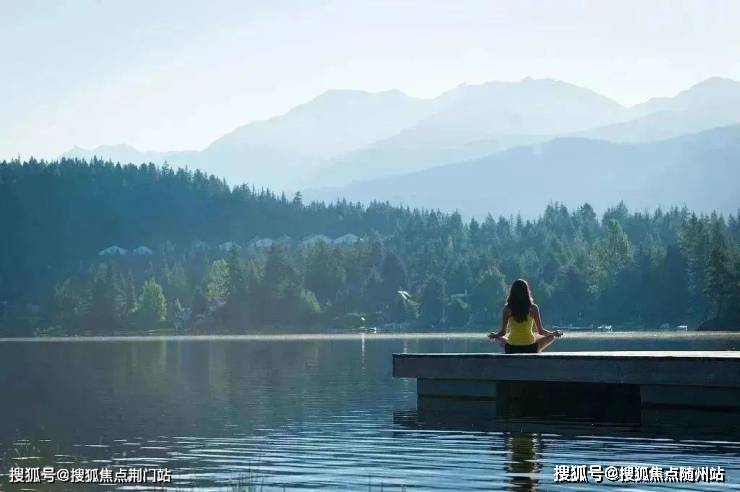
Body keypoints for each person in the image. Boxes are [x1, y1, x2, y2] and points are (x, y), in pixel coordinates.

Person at [487, 279, 563, 353]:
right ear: (527, 292)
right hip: (531, 348)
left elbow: (503, 333)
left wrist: (495, 335)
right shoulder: (533, 308)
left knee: (498, 338)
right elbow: (541, 331)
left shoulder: (507, 309)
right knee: (551, 337)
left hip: (511, 349)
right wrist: (553, 333)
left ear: (512, 292)